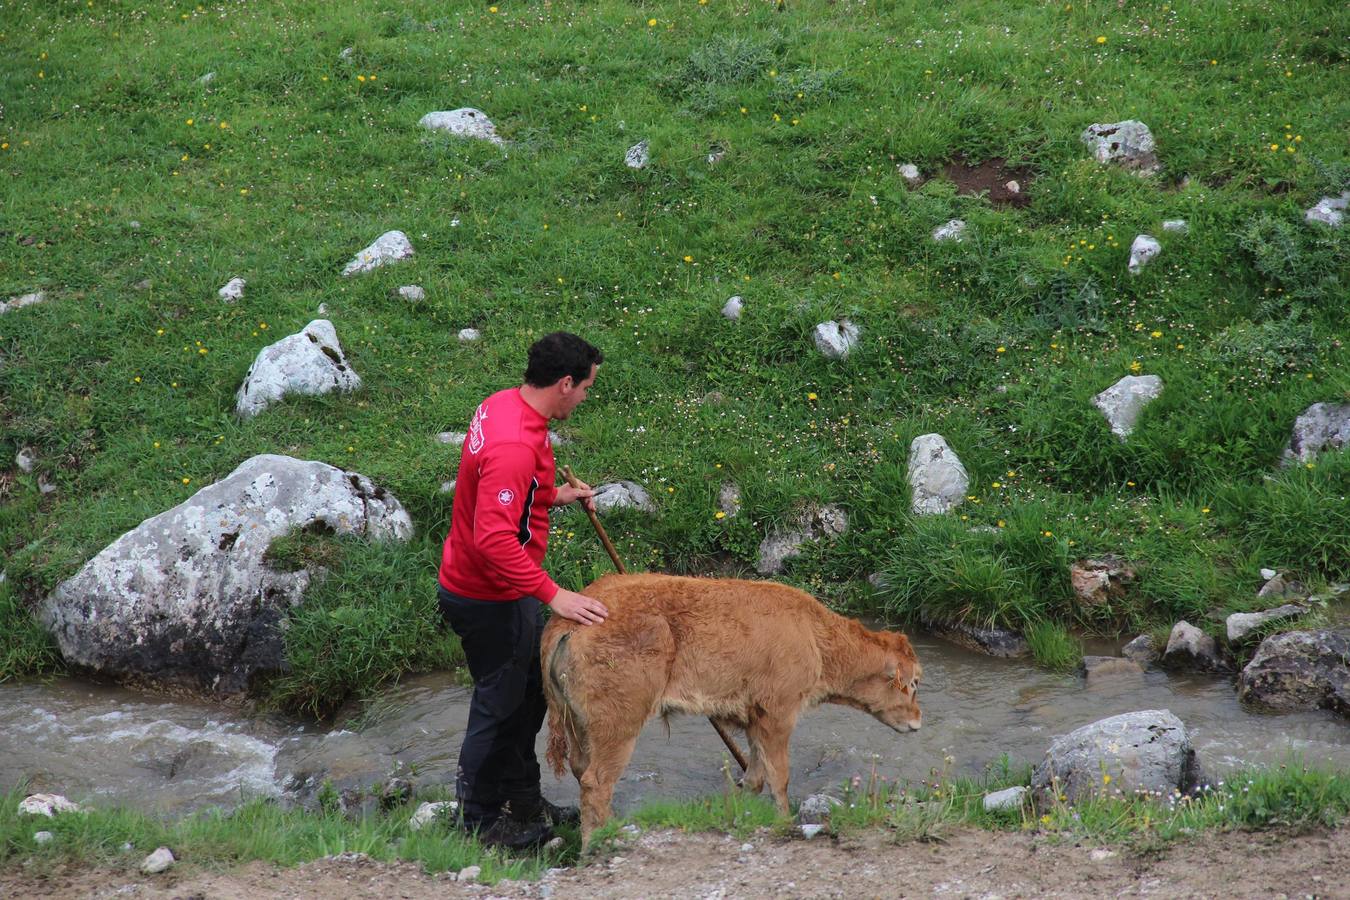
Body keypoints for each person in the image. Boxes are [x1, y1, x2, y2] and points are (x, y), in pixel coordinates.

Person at [437, 331, 611, 850]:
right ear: (564, 383)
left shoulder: (503, 405)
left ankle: (522, 798)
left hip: (497, 588)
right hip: (489, 593)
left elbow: (506, 491)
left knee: (527, 696)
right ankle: (477, 822)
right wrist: (553, 595)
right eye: (585, 388)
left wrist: (557, 494)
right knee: (499, 704)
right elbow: (492, 538)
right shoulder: (515, 442)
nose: (584, 397)